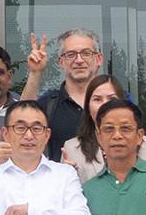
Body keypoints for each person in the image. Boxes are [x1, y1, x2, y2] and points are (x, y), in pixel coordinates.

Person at [0, 100, 91, 215]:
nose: (29, 136)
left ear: (47, 135)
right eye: (20, 128)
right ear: (6, 134)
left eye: (36, 129)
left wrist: (31, 212)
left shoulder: (64, 174)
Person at [61, 72, 146, 185]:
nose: (104, 105)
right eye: (97, 99)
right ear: (88, 107)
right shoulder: (72, 148)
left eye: (111, 99)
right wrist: (66, 177)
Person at [39, 28, 105, 159]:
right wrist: (35, 73)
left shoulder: (117, 100)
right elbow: (21, 120)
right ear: (61, 62)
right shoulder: (47, 104)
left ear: (99, 59)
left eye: (86, 53)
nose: (79, 60)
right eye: (71, 54)